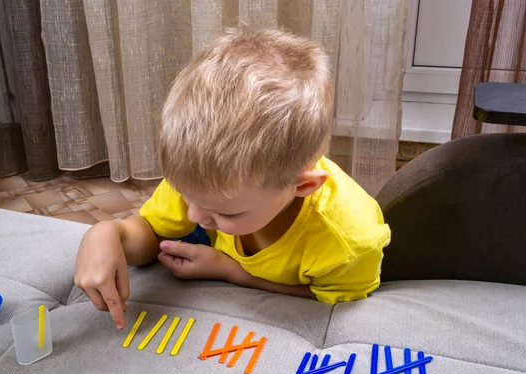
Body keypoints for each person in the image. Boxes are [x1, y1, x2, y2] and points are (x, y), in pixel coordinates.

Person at [74, 28, 391, 330]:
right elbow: (152, 233)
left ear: (303, 186)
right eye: (185, 195)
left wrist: (231, 271)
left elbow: (330, 296)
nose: (194, 215)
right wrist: (109, 234)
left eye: (226, 211)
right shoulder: (201, 179)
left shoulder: (350, 243)